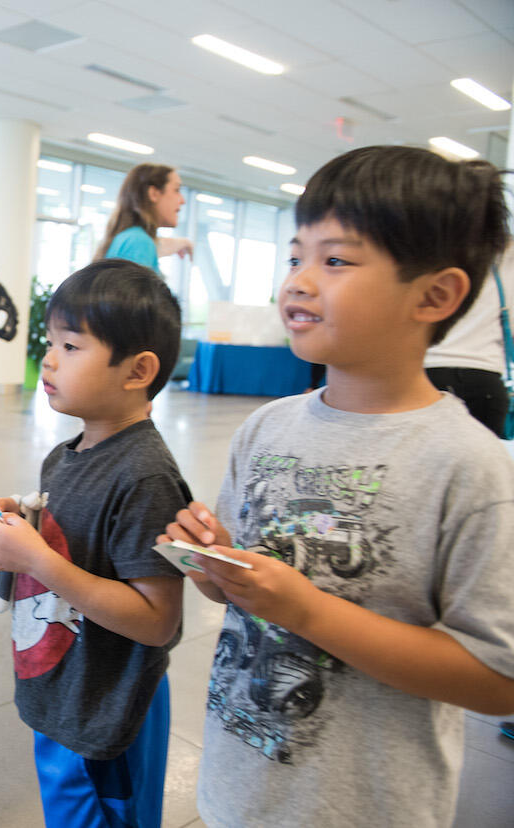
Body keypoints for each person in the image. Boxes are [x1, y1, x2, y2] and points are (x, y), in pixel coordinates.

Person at [162, 145, 514, 827]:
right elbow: (248, 593)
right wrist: (218, 566)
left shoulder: (468, 464)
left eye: (336, 260)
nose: (298, 281)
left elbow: (498, 678)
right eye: (296, 256)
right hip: (237, 790)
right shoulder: (264, 429)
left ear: (435, 295)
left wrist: (305, 609)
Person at [0, 259, 189, 828]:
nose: (48, 358)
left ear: (137, 370)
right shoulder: (67, 456)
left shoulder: (146, 477)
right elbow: (77, 547)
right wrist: (19, 523)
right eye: (50, 342)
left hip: (110, 711)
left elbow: (156, 620)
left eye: (71, 346)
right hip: (67, 694)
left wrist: (37, 558)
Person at [424, 243, 514, 438]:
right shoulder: (504, 255)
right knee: (481, 464)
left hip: (428, 374)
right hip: (484, 380)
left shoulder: (427, 246)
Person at [94, 163, 192, 273]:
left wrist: (185, 243)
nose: (183, 200)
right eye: (176, 190)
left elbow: (159, 246)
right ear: (154, 193)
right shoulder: (139, 242)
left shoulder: (130, 238)